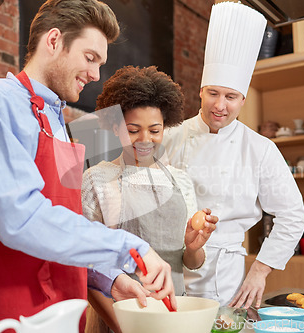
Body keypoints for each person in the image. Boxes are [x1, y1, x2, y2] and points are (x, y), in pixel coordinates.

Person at [0, 1, 175, 332]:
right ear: (53, 41)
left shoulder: (55, 121)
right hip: (8, 310)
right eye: (90, 58)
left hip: (63, 307)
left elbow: (64, 227)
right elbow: (22, 218)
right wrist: (130, 247)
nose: (95, 75)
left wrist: (108, 278)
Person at [162, 2, 304, 309]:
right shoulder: (170, 136)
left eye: (230, 97)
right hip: (167, 266)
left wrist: (261, 269)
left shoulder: (260, 149)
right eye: (213, 93)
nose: (220, 105)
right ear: (200, 91)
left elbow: (293, 215)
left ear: (243, 100)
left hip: (224, 273)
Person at [81, 65, 218, 333]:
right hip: (115, 319)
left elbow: (189, 263)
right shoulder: (96, 180)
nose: (145, 140)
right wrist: (124, 327)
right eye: (133, 130)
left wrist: (192, 247)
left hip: (173, 316)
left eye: (155, 130)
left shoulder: (180, 181)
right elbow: (84, 266)